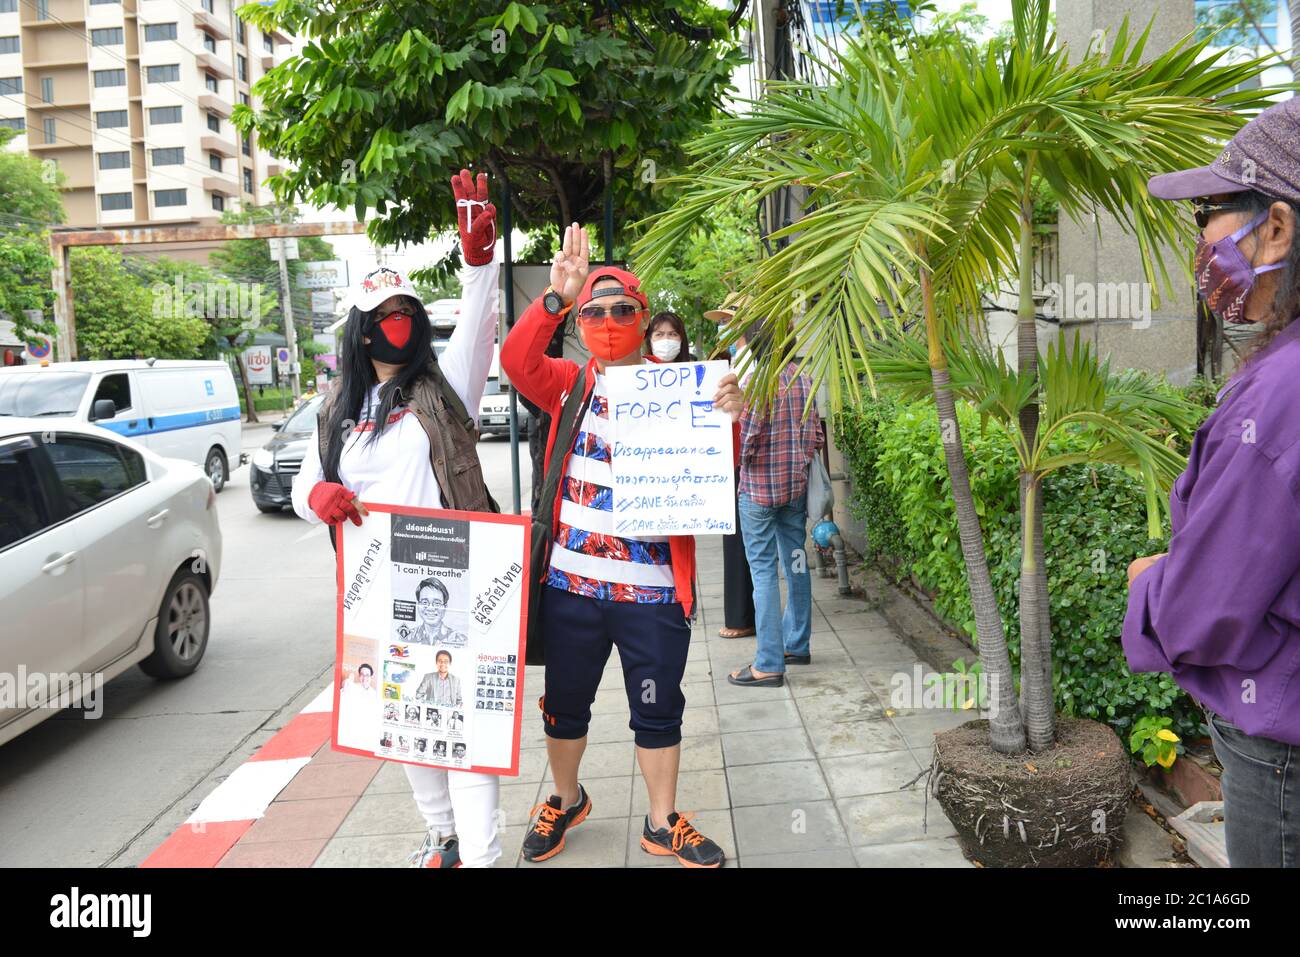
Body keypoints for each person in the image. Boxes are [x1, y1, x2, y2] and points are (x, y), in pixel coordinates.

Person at [501, 223, 745, 868]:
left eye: (622, 310)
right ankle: (564, 796)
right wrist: (555, 298)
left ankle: (663, 821)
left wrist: (730, 416)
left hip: (654, 591)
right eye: (595, 311)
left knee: (659, 709)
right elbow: (516, 362)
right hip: (570, 588)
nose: (608, 320)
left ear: (644, 318)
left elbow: (720, 471)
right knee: (565, 705)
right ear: (580, 322)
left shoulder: (688, 387)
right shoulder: (567, 384)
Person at [291, 168, 501, 870]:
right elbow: (305, 485)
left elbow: (475, 331)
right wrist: (317, 497)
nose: (399, 323)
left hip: (457, 581)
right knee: (407, 725)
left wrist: (479, 264)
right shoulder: (334, 411)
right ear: (362, 329)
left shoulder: (445, 389)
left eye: (406, 310)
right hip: (375, 594)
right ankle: (442, 838)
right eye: (385, 314)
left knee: (465, 730)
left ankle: (482, 855)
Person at [1123, 98, 1300, 868]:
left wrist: (1150, 586)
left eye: (1209, 212)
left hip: (1281, 754)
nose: (1200, 242)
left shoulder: (1279, 394)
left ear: (1279, 226)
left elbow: (1205, 609)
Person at [727, 320, 823, 688]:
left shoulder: (755, 385)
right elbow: (816, 435)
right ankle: (796, 644)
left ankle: (768, 663)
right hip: (794, 491)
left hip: (759, 494)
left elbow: (746, 441)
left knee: (763, 573)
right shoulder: (804, 378)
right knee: (796, 563)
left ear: (753, 343)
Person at [705, 294, 756, 639]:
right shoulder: (729, 361)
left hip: (747, 461)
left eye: (729, 320)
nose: (724, 327)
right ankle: (742, 615)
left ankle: (742, 618)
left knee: (741, 540)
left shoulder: (753, 364)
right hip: (730, 459)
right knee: (737, 537)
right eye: (722, 321)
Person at [409, 577, 468, 646]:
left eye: (437, 603)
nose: (430, 608)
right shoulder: (408, 637)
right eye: (425, 602)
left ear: (445, 607)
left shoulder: (460, 640)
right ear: (418, 605)